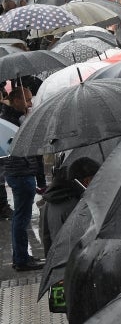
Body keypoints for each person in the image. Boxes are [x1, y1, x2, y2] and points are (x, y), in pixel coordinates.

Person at [2, 86, 45, 271]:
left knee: (20, 217)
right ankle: (21, 259)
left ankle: (21, 257)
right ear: (16, 100)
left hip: (21, 172)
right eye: (26, 100)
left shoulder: (16, 118)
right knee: (21, 218)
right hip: (21, 173)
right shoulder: (12, 121)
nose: (29, 103)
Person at [40, 157, 99, 253]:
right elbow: (85, 243)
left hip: (58, 257)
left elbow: (46, 237)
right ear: (87, 181)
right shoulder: (78, 207)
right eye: (97, 179)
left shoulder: (50, 201)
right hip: (74, 258)